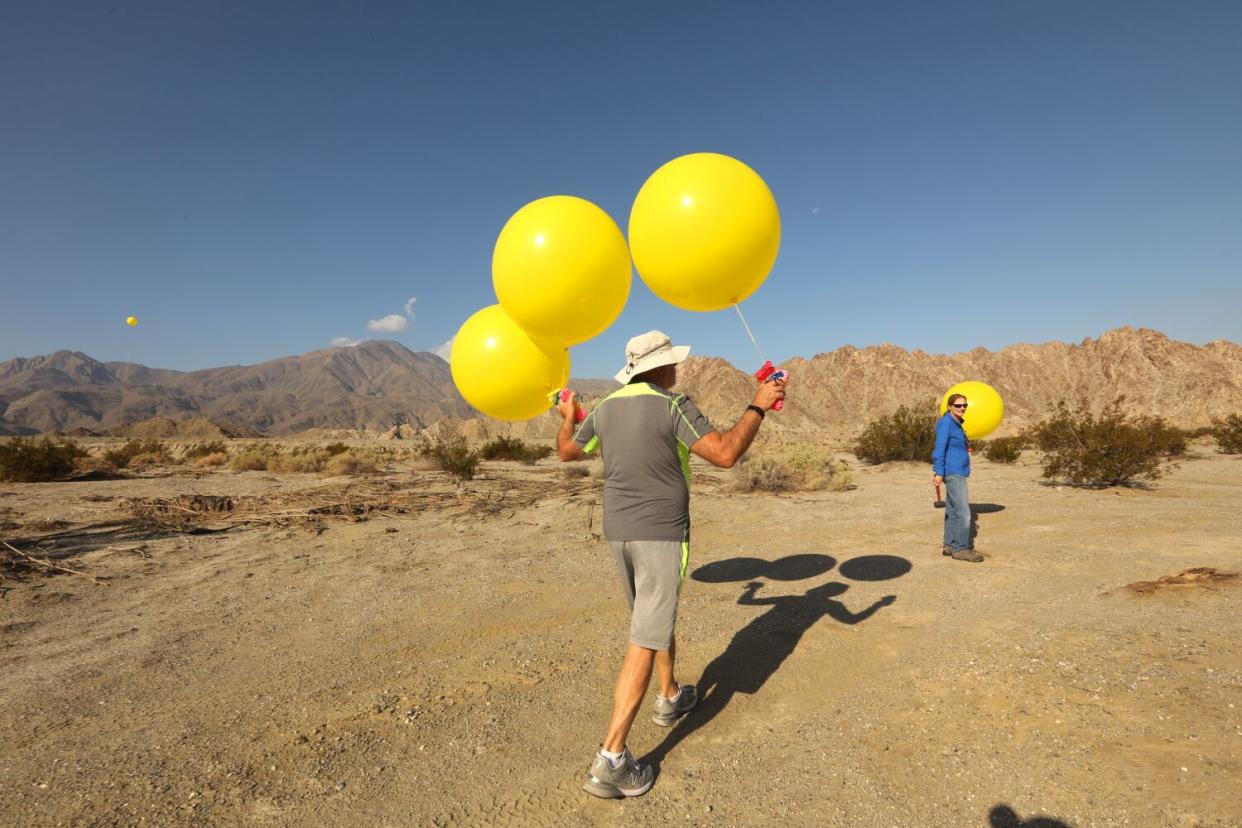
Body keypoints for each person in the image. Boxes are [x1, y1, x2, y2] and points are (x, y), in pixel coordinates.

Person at [556, 330, 786, 799]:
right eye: (673, 363)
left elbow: (567, 452)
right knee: (645, 635)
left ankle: (669, 695)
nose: (678, 369)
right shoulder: (673, 404)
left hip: (618, 533)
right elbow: (724, 453)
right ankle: (612, 759)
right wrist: (758, 404)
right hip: (661, 533)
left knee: (652, 619)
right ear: (660, 367)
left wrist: (565, 417)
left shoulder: (603, 408)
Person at [933, 393, 982, 562]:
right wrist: (938, 472)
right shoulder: (946, 423)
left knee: (953, 510)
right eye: (957, 405)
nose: (962, 408)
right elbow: (939, 448)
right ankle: (961, 549)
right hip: (953, 472)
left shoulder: (956, 424)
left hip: (958, 471)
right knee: (964, 513)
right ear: (949, 407)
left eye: (964, 405)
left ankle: (950, 544)